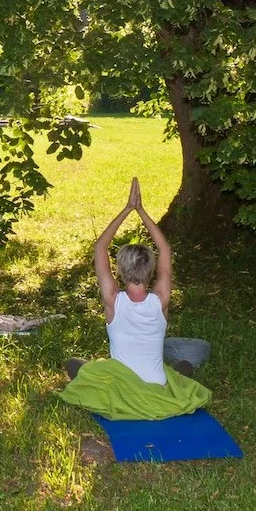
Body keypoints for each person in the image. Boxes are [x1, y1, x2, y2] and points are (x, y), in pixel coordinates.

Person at [58, 179, 210, 420]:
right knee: (182, 368)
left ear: (119, 271)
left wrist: (128, 209)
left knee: (75, 364)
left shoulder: (113, 300)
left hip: (121, 389)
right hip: (156, 387)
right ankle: (170, 383)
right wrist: (141, 211)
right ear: (151, 270)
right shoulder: (161, 299)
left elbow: (100, 247)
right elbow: (165, 249)